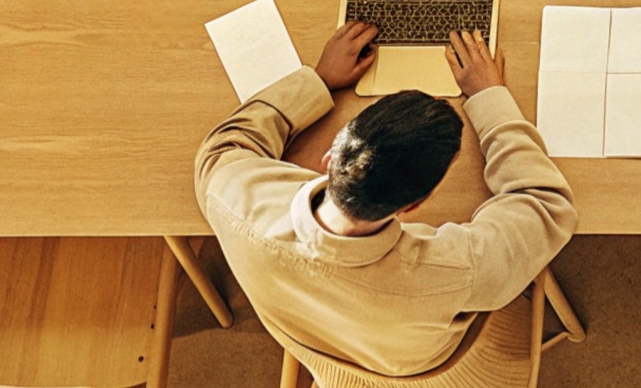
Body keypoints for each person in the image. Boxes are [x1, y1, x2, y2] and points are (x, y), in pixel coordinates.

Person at [194, 23, 576, 376]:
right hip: (425, 365)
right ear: (412, 206)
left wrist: (319, 80)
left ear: (330, 158)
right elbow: (546, 203)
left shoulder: (229, 194)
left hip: (326, 351)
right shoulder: (454, 270)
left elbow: (224, 144)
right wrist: (491, 98)